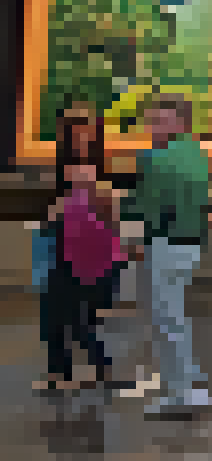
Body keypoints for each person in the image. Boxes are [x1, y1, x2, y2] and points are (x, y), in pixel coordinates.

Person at [125, 93, 212, 417]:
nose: (152, 127)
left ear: (180, 122)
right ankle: (189, 383)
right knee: (175, 315)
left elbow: (144, 208)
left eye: (159, 120)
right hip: (189, 245)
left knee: (166, 319)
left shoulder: (159, 159)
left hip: (165, 244)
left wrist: (127, 229)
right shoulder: (196, 153)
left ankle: (181, 394)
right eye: (151, 120)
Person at [38, 103, 123, 395]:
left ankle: (101, 367)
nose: (80, 139)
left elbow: (111, 216)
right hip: (60, 243)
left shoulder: (100, 171)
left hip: (90, 250)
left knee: (80, 318)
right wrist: (54, 214)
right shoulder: (59, 169)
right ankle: (59, 372)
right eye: (74, 133)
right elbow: (49, 212)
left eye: (85, 133)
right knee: (53, 313)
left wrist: (95, 192)